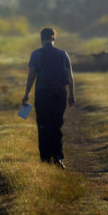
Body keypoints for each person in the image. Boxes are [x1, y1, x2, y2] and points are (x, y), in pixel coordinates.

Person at [22, 28, 75, 169]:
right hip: (60, 94)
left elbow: (31, 75)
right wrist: (71, 94)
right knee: (57, 125)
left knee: (43, 125)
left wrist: (26, 94)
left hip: (42, 94)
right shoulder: (63, 54)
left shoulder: (36, 54)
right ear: (54, 38)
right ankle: (57, 157)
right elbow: (69, 76)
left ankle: (45, 158)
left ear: (41, 39)